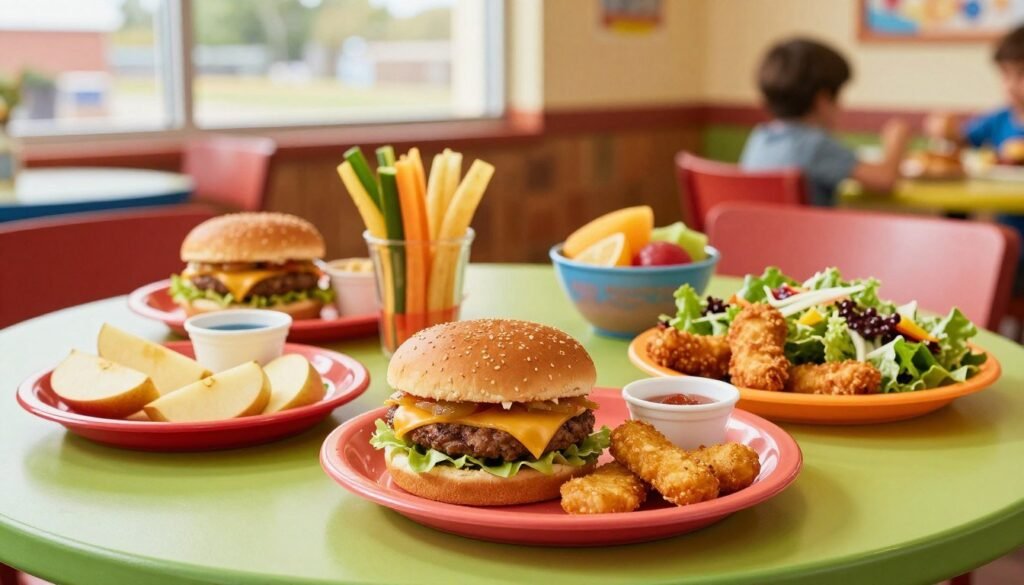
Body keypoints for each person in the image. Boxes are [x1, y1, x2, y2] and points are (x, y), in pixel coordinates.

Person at [740, 37, 910, 206]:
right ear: (823, 101)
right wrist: (896, 141)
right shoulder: (815, 145)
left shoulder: (760, 137)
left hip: (760, 232)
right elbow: (885, 180)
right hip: (809, 232)